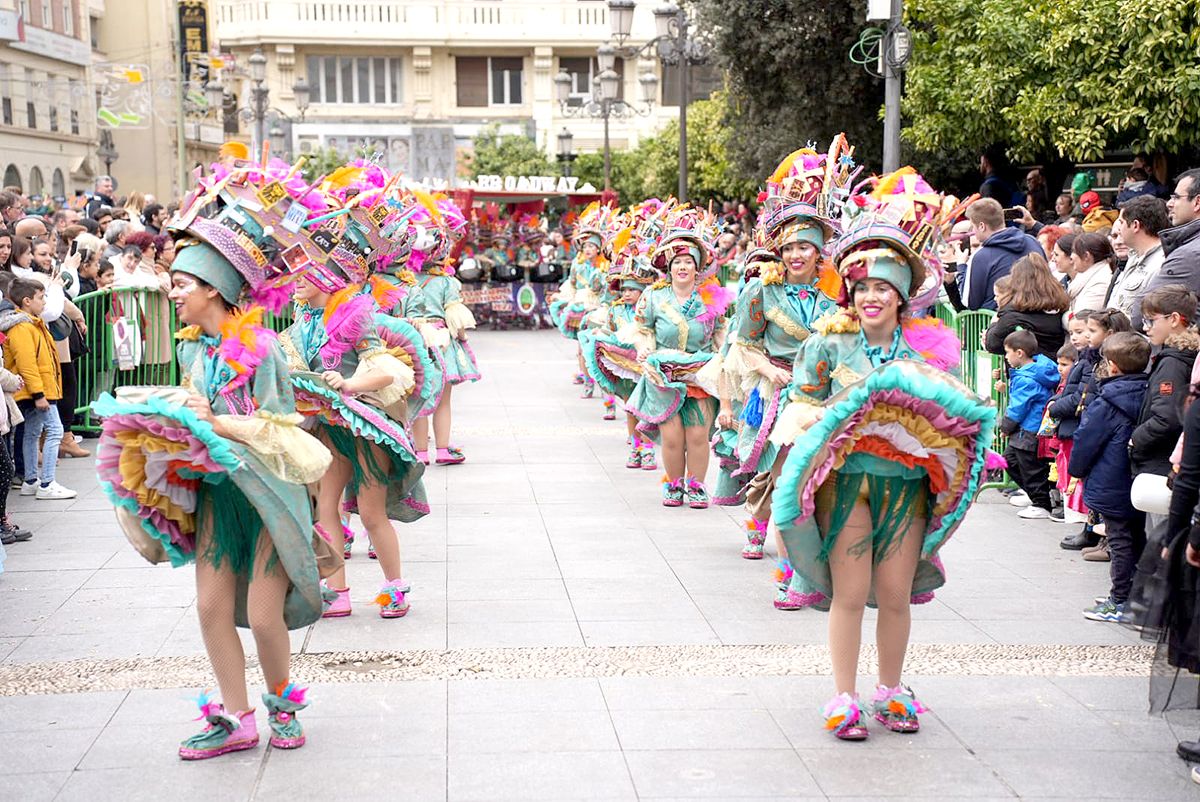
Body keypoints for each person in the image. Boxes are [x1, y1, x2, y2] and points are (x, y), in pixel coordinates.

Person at [767, 168, 994, 740]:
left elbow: (947, 419)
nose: (871, 297)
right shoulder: (826, 341)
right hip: (845, 484)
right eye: (862, 286)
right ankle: (843, 697)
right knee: (848, 593)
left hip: (906, 486)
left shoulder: (929, 347)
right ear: (848, 289)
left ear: (901, 295)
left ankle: (891, 691)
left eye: (883, 288)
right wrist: (827, 420)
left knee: (894, 595)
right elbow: (798, 401)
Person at [720, 138, 854, 589]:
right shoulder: (762, 291)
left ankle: (799, 562)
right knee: (776, 470)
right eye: (790, 247)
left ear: (820, 255)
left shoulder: (831, 299)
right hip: (774, 390)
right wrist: (771, 371)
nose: (797, 255)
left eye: (806, 248)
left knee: (809, 475)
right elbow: (744, 342)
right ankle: (764, 531)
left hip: (818, 396)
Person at [627, 205, 730, 508]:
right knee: (672, 437)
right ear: (668, 267)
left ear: (697, 268)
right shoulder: (653, 296)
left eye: (688, 262)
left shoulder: (711, 297)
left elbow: (720, 332)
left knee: (698, 435)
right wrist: (644, 347)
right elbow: (642, 327)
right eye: (678, 262)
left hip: (699, 373)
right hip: (665, 374)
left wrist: (726, 357)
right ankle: (673, 484)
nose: (683, 267)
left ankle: (696, 486)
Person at [1070, 332, 1151, 622]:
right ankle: (1133, 596)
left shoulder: (1106, 401)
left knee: (1119, 540)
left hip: (1110, 480)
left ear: (1113, 366)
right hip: (1134, 478)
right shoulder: (1148, 391)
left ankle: (1120, 601)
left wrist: (1075, 471)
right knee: (1136, 537)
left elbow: (1086, 440)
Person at [1131, 285, 1198, 546]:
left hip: (1161, 461)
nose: (1146, 327)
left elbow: (1166, 418)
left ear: (1173, 319)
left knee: (1160, 539)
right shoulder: (1175, 356)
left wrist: (1135, 439)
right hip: (1167, 458)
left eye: (1151, 320)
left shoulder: (1173, 361)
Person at [0, 278, 74, 499]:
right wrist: (39, 394)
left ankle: (32, 480)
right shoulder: (23, 327)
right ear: (26, 301)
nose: (44, 302)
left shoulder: (31, 324)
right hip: (38, 390)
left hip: (36, 389)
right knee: (55, 430)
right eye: (41, 298)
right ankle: (47, 482)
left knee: (32, 433)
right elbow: (27, 364)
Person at [999, 329, 1061, 519]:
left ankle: (1041, 502)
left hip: (1029, 429)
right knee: (1010, 460)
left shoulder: (1027, 379)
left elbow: (1019, 407)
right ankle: (1035, 495)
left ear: (1019, 353)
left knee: (1030, 467)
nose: (1006, 357)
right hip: (1028, 428)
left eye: (1007, 352)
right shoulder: (1035, 371)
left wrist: (1005, 427)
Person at [958, 198, 1042, 311]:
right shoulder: (1033, 241)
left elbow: (969, 303)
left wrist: (961, 267)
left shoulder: (980, 256)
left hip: (997, 324)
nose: (973, 231)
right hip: (1037, 318)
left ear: (982, 226)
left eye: (973, 226)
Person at [983, 253, 1068, 359]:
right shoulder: (1059, 306)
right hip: (1055, 367)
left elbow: (993, 344)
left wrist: (994, 324)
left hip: (1027, 372)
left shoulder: (1012, 316)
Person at [1140, 168, 1200, 304]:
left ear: (1197, 202)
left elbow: (1144, 311)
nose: (1169, 204)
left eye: (1177, 197)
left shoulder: (1189, 255)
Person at [1113, 196, 1168, 326]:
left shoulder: (1161, 264)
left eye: (1121, 222)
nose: (1118, 228)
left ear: (1135, 225)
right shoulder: (1132, 257)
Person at [1065, 233, 1115, 325]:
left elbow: (1081, 323)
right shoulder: (1086, 275)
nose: (1071, 257)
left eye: (1074, 252)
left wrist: (1064, 316)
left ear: (1086, 256)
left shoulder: (1101, 282)